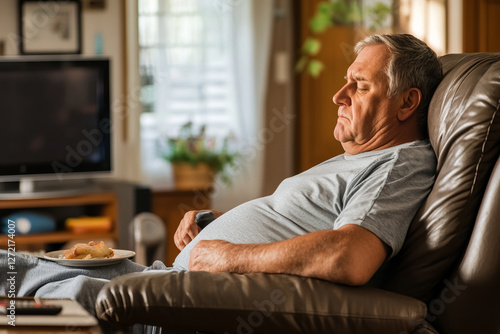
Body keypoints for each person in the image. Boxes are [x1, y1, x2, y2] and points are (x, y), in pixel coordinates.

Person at [0, 34, 443, 315]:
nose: (337, 95)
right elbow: (306, 225)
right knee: (20, 265)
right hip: (165, 281)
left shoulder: (399, 164)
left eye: (359, 86)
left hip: (176, 304)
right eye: (345, 81)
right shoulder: (358, 161)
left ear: (407, 104)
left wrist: (227, 255)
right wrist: (218, 224)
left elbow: (350, 258)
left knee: (16, 278)